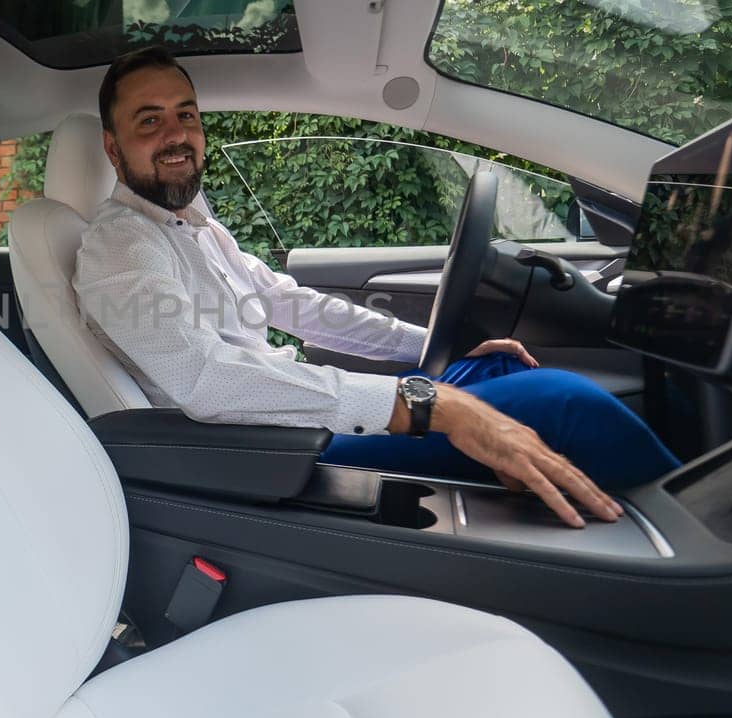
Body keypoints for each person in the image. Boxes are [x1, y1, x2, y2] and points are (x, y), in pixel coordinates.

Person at [71, 46, 680, 527]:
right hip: (278, 451)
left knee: (499, 378)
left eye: (186, 114)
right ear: (112, 146)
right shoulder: (121, 245)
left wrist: (427, 349)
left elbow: (295, 305)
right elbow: (208, 379)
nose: (177, 134)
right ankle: (707, 540)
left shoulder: (188, 223)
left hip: (295, 420)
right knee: (558, 403)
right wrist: (424, 403)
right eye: (149, 121)